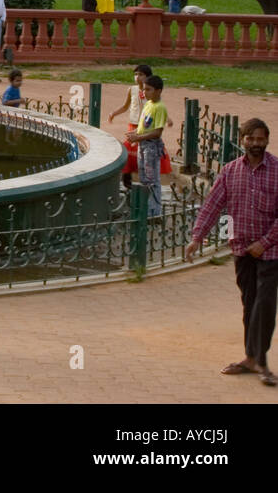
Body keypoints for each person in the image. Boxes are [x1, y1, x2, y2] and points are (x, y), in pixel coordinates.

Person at [186, 118, 278, 387]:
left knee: (264, 305)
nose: (255, 144)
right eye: (250, 139)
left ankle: (261, 362)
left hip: (271, 252)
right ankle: (251, 358)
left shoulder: (276, 170)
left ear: (267, 141)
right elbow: (212, 205)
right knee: (250, 304)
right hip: (242, 250)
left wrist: (265, 241)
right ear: (242, 141)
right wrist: (197, 237)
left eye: (260, 139)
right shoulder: (230, 171)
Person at [109, 64, 172, 189]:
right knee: (129, 151)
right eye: (136, 74)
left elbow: (158, 109)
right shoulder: (132, 90)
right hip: (134, 127)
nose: (137, 77)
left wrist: (167, 119)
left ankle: (148, 185)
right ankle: (127, 179)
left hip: (146, 128)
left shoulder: (152, 93)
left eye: (141, 74)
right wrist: (114, 113)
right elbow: (126, 106)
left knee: (147, 155)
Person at [127, 74, 169, 217]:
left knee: (152, 180)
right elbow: (144, 126)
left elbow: (157, 132)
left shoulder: (160, 108)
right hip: (142, 144)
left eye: (149, 90)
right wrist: (135, 134)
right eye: (144, 89)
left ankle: (154, 212)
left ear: (158, 91)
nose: (145, 92)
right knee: (144, 178)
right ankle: (146, 209)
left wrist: (138, 137)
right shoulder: (149, 104)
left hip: (151, 146)